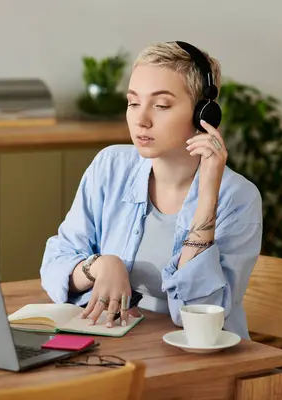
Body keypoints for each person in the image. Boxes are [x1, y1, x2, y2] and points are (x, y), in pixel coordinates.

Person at [39, 41, 262, 340]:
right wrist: (100, 266)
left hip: (199, 360)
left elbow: (201, 314)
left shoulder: (238, 197)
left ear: (203, 115)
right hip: (121, 350)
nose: (141, 119)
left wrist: (208, 194)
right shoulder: (110, 166)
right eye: (133, 102)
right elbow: (56, 263)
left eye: (161, 105)